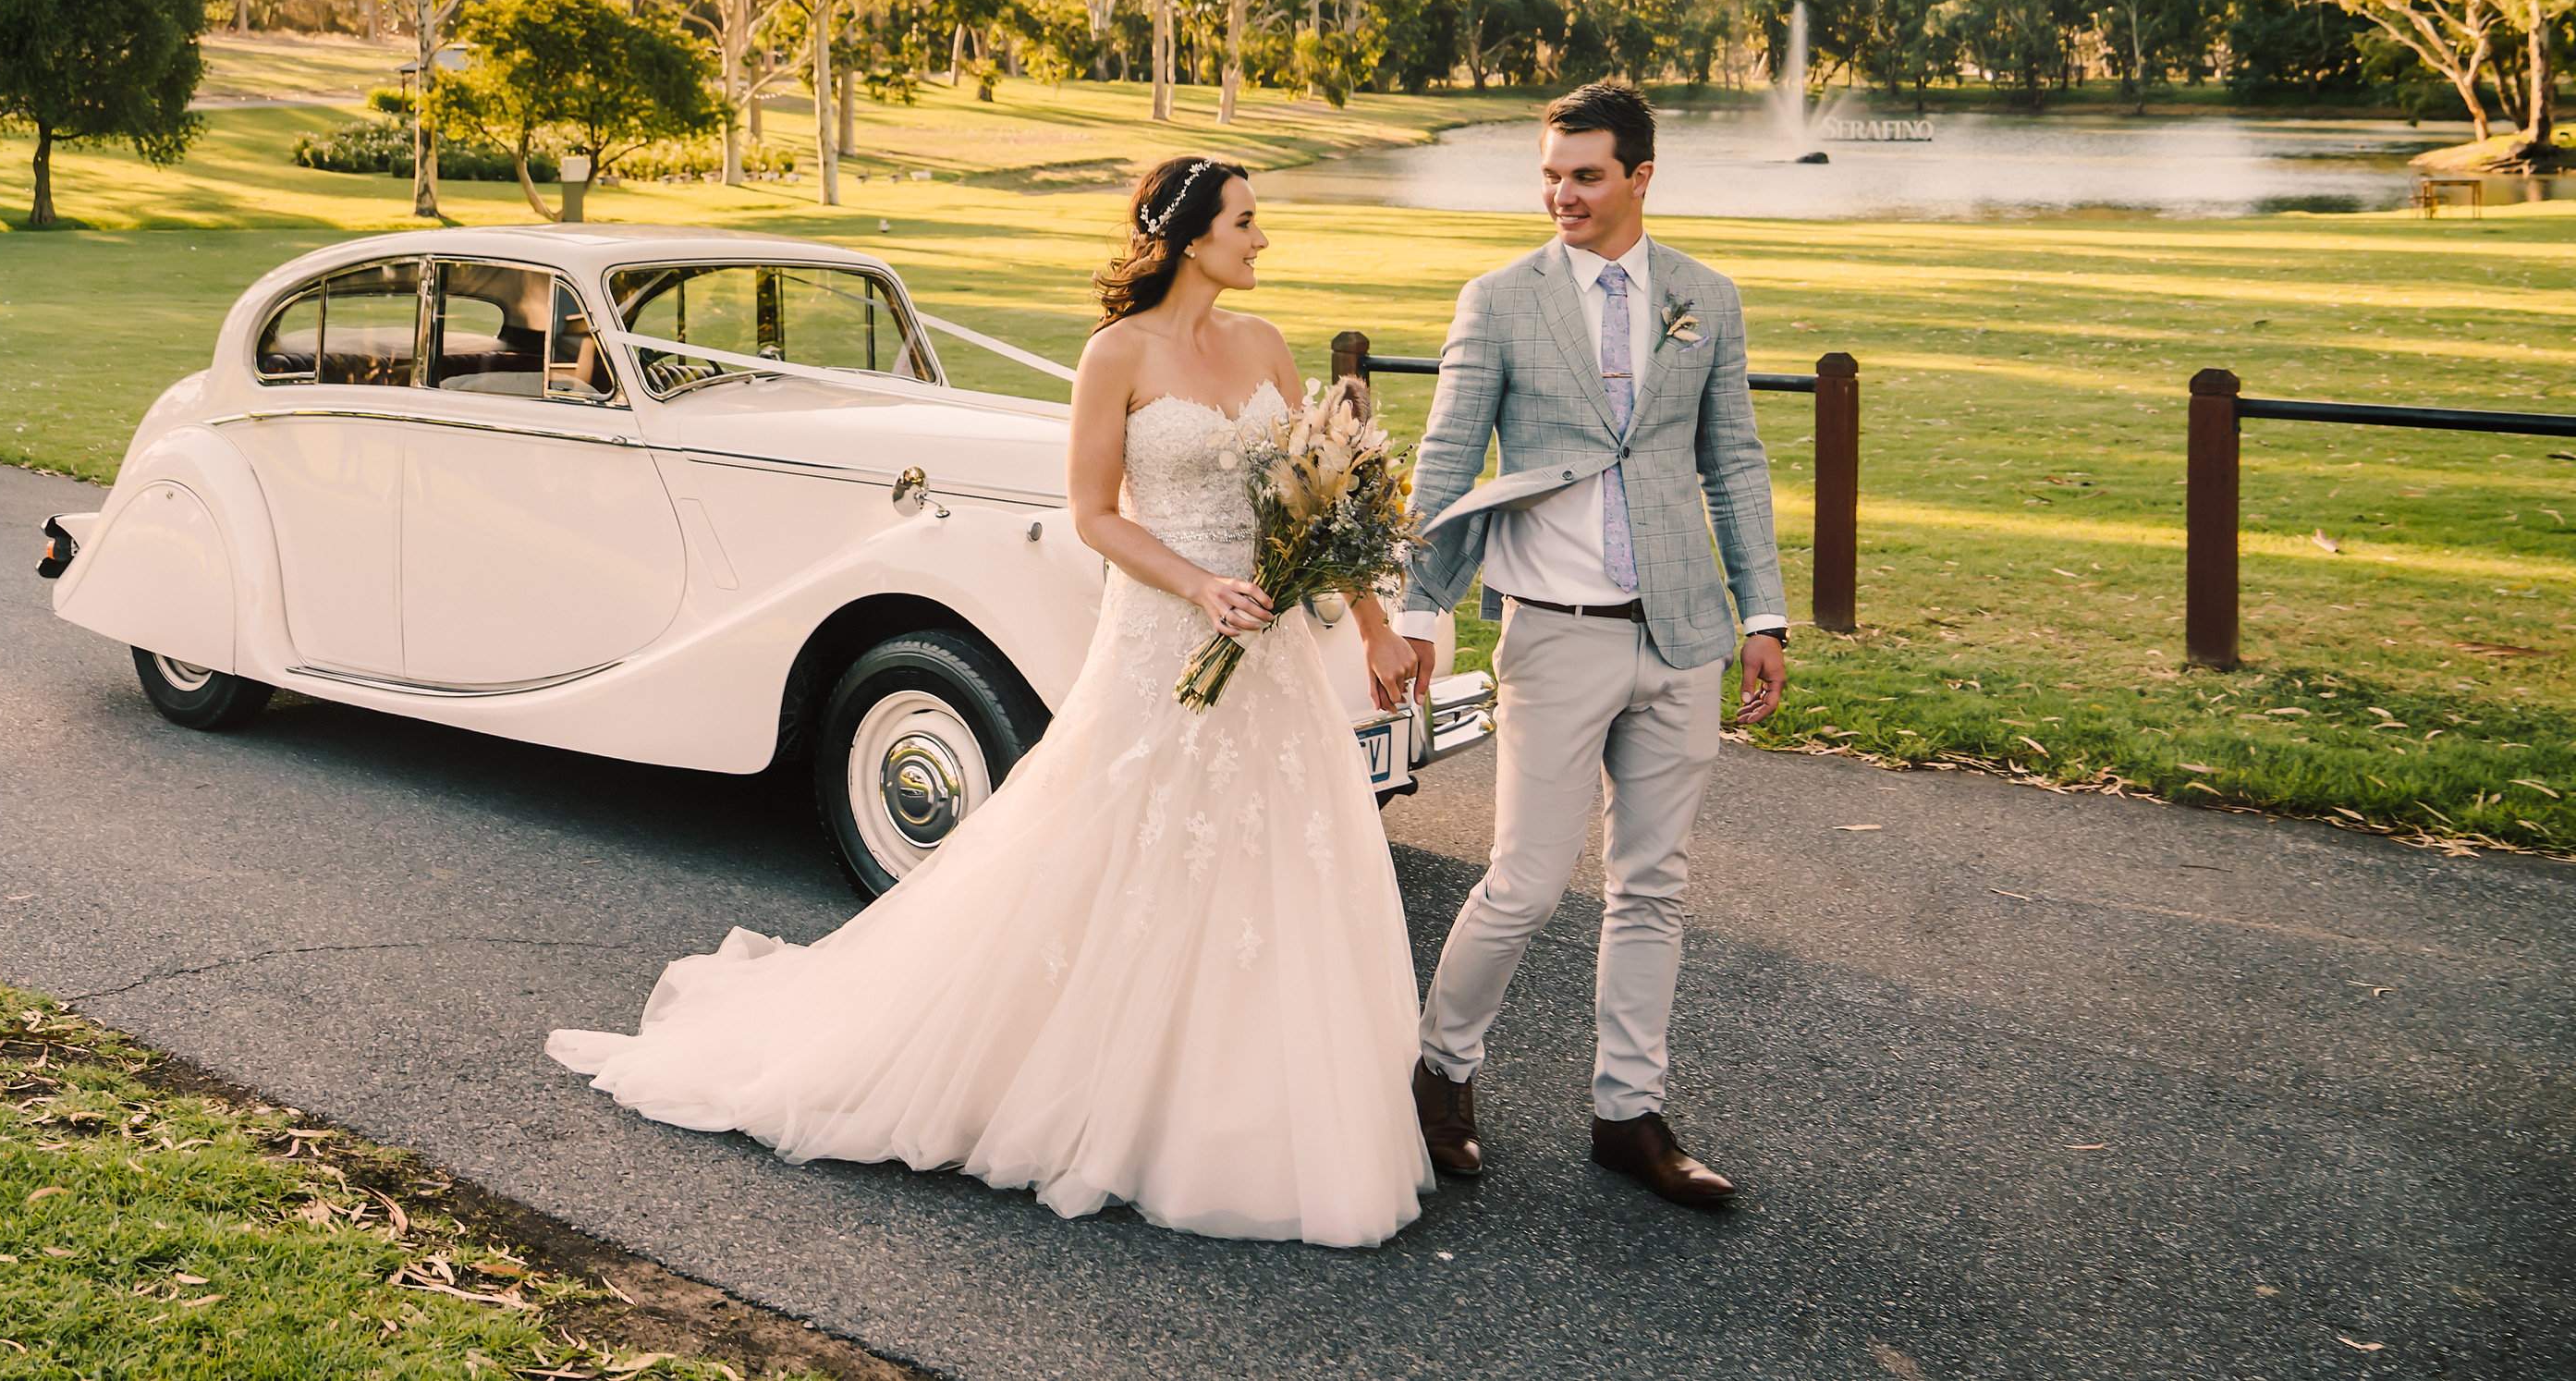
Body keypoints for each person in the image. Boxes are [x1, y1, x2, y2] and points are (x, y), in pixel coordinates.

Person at [545, 154, 1439, 1245]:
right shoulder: (1116, 355)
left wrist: (1373, 625)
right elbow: (1092, 514)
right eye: (1248, 223)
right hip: (1169, 631)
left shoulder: (1261, 347)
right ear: (1193, 234)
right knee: (1126, 851)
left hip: (1268, 652)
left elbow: (1320, 496)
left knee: (1271, 862)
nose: (1263, 242)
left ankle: (1252, 1103)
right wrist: (1198, 582)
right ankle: (1085, 1087)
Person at [1400, 77, 1787, 1209]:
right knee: (1522, 882)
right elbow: (1445, 459)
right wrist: (1418, 610)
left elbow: (1736, 461)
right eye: (1550, 175)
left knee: (1653, 884)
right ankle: (1439, 1076)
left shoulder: (1704, 298)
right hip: (1554, 633)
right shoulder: (1498, 300)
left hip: (1681, 636)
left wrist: (1760, 615)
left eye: (1584, 175)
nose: (1561, 195)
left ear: (1639, 178)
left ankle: (1628, 1113)